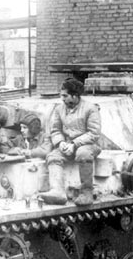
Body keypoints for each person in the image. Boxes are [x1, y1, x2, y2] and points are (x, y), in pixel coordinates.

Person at [39, 78, 101, 206]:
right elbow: (55, 130)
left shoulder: (90, 109)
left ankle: (86, 193)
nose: (62, 99)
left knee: (83, 154)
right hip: (66, 145)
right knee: (53, 156)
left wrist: (74, 144)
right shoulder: (59, 109)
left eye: (65, 95)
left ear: (75, 95)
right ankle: (57, 192)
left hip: (88, 145)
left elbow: (94, 133)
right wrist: (60, 143)